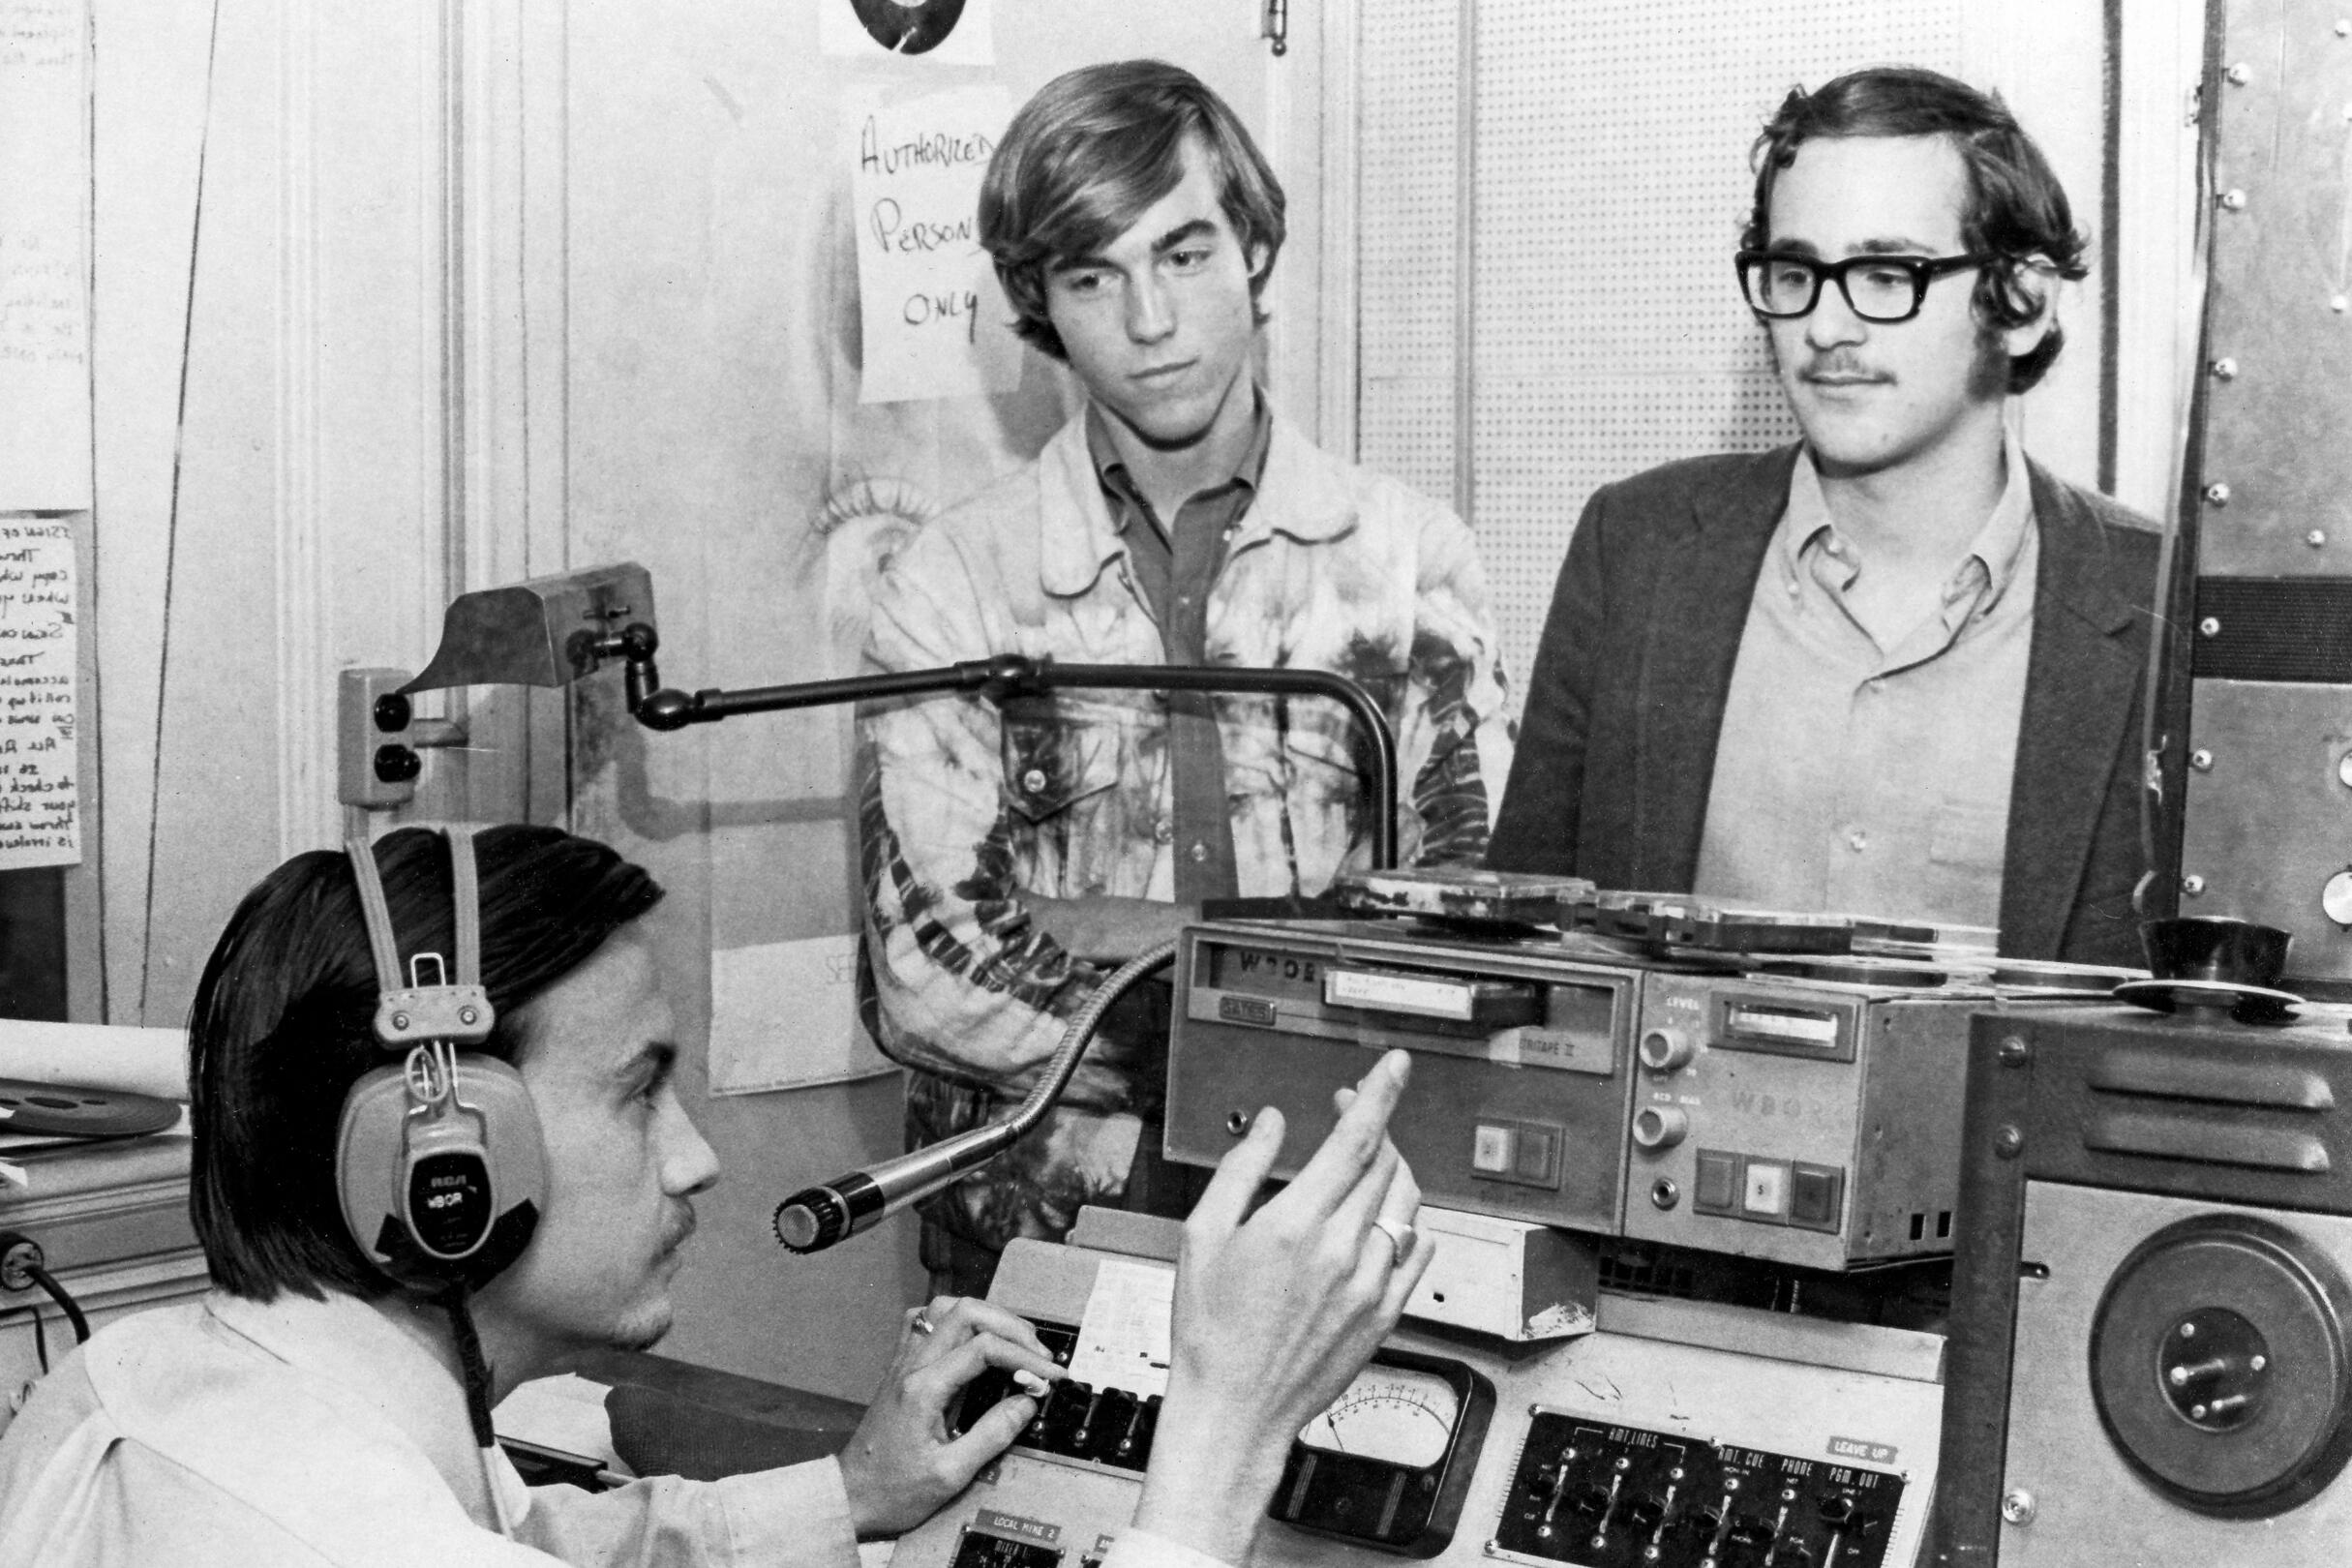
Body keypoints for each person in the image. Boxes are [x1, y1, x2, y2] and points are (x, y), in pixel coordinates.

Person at [0, 826, 1432, 1566]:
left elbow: (532, 1540)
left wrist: (848, 1495)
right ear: (444, 1164)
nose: (696, 1158)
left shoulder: (154, 1385)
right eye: (638, 1090)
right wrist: (1216, 1447)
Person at [858, 59, 1515, 1292]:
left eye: (1186, 254)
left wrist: (1105, 939)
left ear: (1256, 249)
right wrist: (1296, 978)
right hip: (1032, 1247)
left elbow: (1467, 939)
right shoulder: (949, 584)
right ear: (1037, 299)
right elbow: (927, 978)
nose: (1150, 323)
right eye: (1092, 275)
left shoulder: (1406, 559)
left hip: (1332, 1233)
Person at [1489, 66, 2156, 968]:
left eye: (1888, 274)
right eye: (1797, 271)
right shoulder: (1636, 548)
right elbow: (1520, 951)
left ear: (2023, 303)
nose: (1827, 327)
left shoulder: (2157, 605)